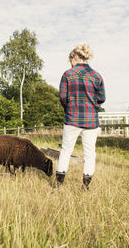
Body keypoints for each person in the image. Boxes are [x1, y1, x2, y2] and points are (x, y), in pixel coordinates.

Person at [55, 44, 106, 190]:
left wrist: (69, 108)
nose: (70, 64)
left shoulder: (68, 74)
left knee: (65, 150)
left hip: (72, 117)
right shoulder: (97, 76)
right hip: (91, 120)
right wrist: (92, 104)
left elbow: (63, 97)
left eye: (70, 60)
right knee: (90, 153)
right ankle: (85, 186)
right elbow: (102, 98)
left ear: (75, 57)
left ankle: (58, 184)